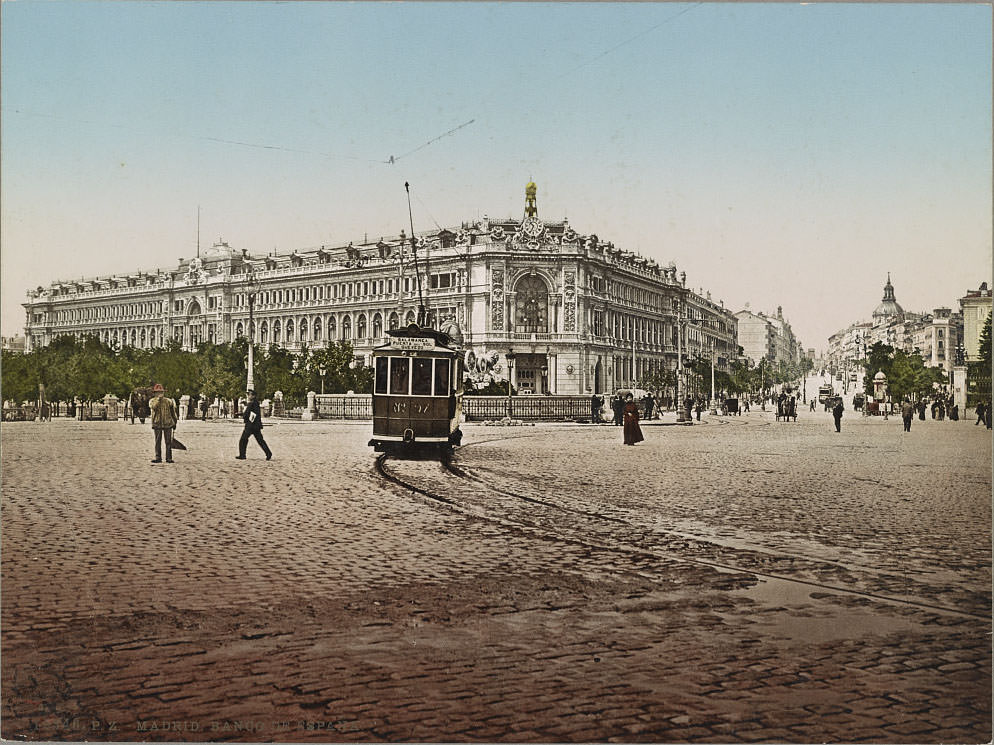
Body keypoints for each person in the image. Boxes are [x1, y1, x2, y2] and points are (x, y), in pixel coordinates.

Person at [237, 389, 272, 460]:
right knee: (260, 440)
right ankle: (268, 453)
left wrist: (245, 417)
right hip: (255, 426)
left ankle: (242, 455)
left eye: (249, 394)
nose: (248, 396)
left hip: (251, 425)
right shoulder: (254, 403)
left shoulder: (253, 403)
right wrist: (241, 414)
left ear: (253, 396)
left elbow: (252, 414)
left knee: (243, 439)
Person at [149, 383, 177, 463]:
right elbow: (153, 407)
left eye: (161, 392)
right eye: (158, 392)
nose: (160, 394)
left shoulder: (169, 401)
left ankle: (169, 458)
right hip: (157, 423)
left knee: (168, 442)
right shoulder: (152, 401)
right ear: (155, 393)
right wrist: (158, 400)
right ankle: (158, 457)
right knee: (157, 441)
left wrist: (175, 422)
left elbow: (173, 412)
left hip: (168, 423)